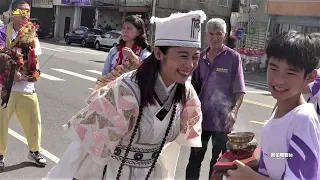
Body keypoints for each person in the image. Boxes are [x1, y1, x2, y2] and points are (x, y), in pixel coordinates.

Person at [43, 10, 206, 180]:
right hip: (114, 171)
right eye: (183, 56)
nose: (190, 64)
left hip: (152, 172)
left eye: (195, 57)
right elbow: (89, 146)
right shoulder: (127, 90)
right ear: (158, 54)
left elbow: (176, 143)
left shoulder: (186, 92)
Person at [227, 31, 320, 180]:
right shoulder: (279, 110)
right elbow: (284, 155)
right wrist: (261, 157)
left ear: (310, 77)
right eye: (273, 68)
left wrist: (250, 177)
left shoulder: (303, 118)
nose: (279, 80)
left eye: (290, 73)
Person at [186, 18, 245, 179]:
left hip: (222, 121)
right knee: (194, 159)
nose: (215, 37)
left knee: (218, 163)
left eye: (219, 34)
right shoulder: (200, 57)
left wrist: (233, 112)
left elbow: (239, 90)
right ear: (206, 35)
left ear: (225, 35)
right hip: (201, 120)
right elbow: (193, 89)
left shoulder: (233, 57)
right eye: (211, 34)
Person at [0, 0, 46, 169]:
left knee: (34, 121)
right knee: (1, 122)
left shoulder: (32, 34)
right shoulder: (3, 32)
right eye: (20, 11)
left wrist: (36, 73)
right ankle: (0, 154)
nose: (24, 14)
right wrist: (13, 72)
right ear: (13, 13)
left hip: (26, 87)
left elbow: (36, 59)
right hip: (5, 86)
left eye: (27, 11)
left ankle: (34, 151)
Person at [93, 15, 151, 91]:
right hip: (111, 92)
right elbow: (105, 74)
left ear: (139, 32)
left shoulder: (144, 54)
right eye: (123, 28)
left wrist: (134, 58)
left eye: (129, 28)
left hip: (133, 95)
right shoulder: (114, 51)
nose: (125, 31)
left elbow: (148, 77)